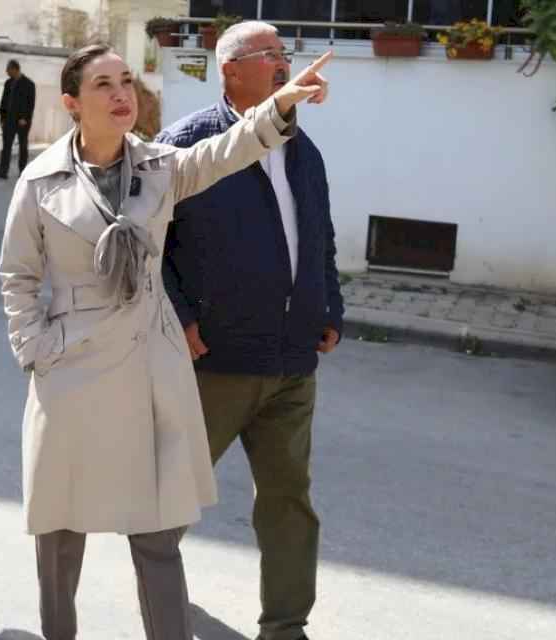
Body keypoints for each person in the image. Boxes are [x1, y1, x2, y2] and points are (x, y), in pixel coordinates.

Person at [0, 43, 330, 639]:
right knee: (60, 529)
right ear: (72, 103)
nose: (121, 94)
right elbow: (18, 277)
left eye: (127, 81)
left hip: (151, 368)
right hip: (70, 369)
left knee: (155, 533)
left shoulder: (161, 166)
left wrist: (280, 103)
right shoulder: (40, 180)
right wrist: (36, 350)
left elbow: (227, 150)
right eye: (103, 85)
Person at [155, 22, 344, 640]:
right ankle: (159, 605)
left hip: (292, 362)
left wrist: (330, 306)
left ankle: (286, 628)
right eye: (271, 55)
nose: (284, 64)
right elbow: (148, 245)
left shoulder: (303, 150)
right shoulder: (187, 143)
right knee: (171, 501)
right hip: (216, 360)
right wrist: (181, 317)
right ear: (231, 70)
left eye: (285, 54)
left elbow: (319, 236)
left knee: (289, 503)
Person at [0, 59, 35, 180]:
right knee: (6, 145)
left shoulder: (28, 84)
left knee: (23, 145)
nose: (7, 72)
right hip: (9, 119)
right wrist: (2, 117)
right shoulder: (8, 83)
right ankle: (3, 170)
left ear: (15, 69)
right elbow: (4, 101)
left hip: (22, 121)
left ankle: (23, 171)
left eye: (8, 69)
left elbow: (31, 104)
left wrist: (25, 118)